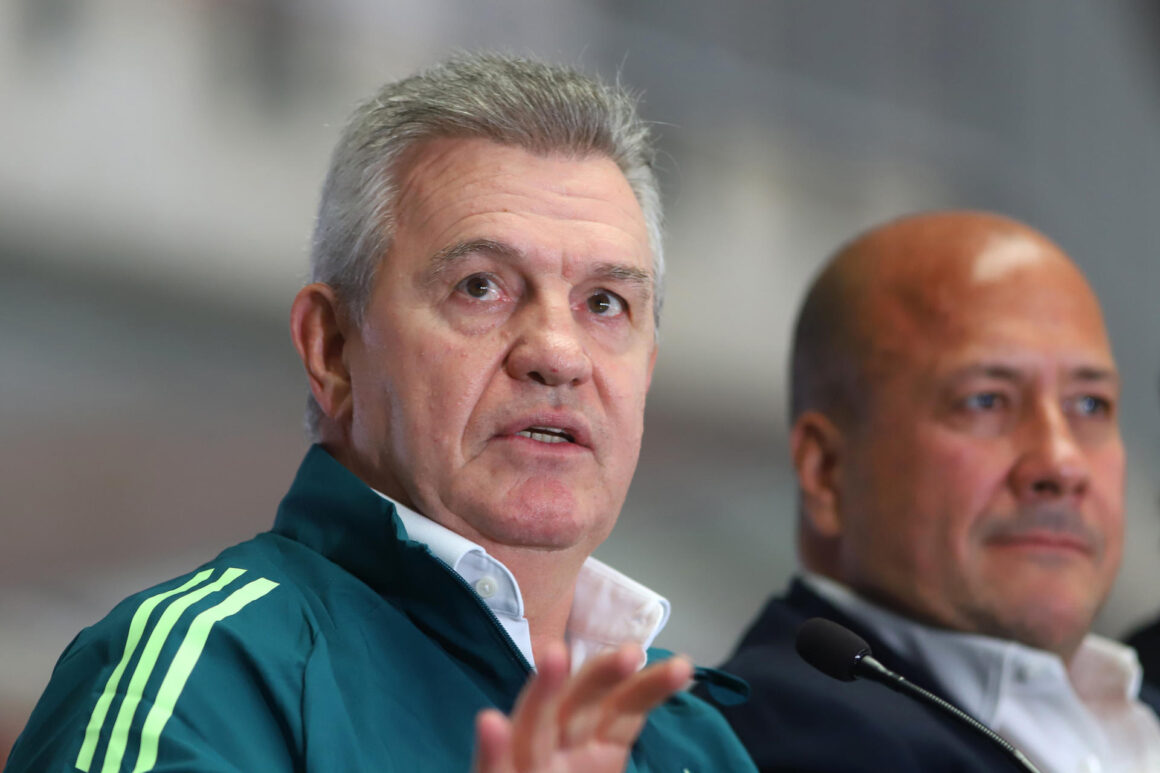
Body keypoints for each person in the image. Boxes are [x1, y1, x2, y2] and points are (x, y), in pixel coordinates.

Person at [6, 54, 754, 773]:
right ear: (332, 348)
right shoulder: (199, 675)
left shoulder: (699, 741)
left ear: (647, 369)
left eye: (604, 303)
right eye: (481, 287)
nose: (559, 353)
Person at [699, 211, 1160, 772]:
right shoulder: (780, 742)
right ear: (826, 470)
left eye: (1090, 405)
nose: (1062, 464)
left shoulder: (1134, 695)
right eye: (986, 401)